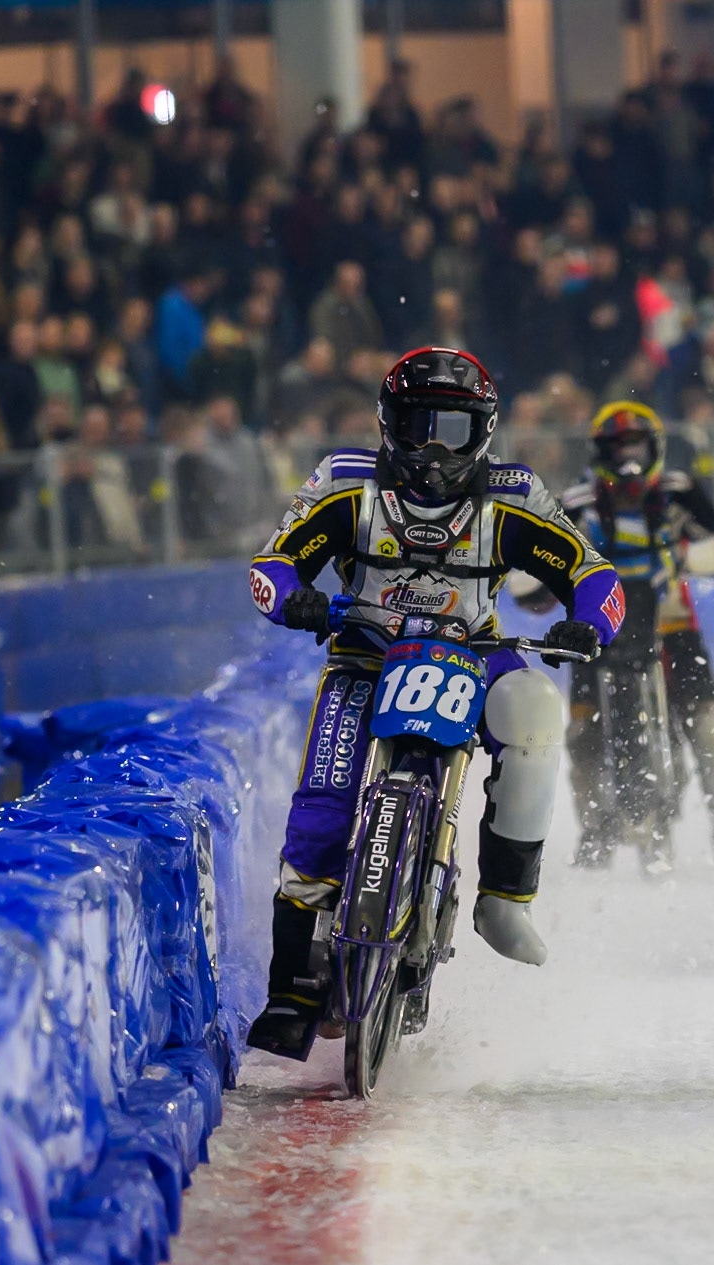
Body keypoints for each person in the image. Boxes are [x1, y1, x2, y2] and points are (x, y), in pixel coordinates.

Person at [243, 348, 624, 1060]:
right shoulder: (346, 484)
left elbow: (593, 573)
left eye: (452, 427)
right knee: (321, 810)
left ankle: (506, 898)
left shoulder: (514, 495)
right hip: (362, 648)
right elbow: (271, 562)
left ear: (483, 429)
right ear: (388, 423)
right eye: (418, 425)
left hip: (476, 649)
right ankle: (292, 989)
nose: (433, 447)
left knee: (537, 711)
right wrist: (293, 596)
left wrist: (588, 622)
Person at [551, 402, 714, 870]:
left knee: (711, 730)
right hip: (596, 632)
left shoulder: (679, 491)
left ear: (656, 449)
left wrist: (700, 556)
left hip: (671, 628)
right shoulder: (576, 502)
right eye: (617, 448)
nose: (629, 460)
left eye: (637, 447)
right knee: (582, 735)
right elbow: (539, 571)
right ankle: (596, 827)